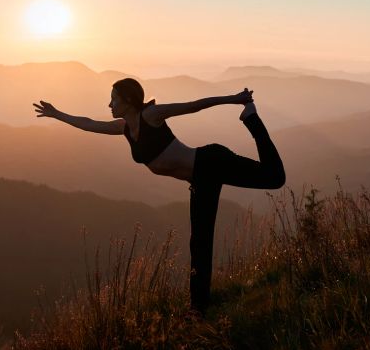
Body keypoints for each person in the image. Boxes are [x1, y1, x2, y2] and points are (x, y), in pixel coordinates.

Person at [32, 77, 285, 316]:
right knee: (199, 241)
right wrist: (57, 114)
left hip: (210, 163)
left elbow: (193, 106)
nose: (109, 104)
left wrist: (234, 99)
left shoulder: (150, 116)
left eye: (114, 99)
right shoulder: (125, 129)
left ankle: (251, 118)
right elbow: (89, 123)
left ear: (129, 101)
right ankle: (198, 309)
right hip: (199, 180)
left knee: (274, 178)